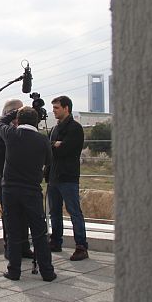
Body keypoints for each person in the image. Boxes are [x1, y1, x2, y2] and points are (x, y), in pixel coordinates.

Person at [0, 106, 56, 281]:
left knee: (13, 231)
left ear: (18, 120)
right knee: (39, 232)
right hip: (32, 190)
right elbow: (48, 161)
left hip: (10, 190)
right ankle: (47, 272)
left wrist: (15, 112)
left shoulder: (12, 135)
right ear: (36, 121)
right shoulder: (43, 140)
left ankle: (14, 271)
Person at [0, 98, 33, 260]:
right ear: (12, 113)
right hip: (2, 176)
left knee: (23, 213)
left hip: (17, 177)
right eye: (19, 112)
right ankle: (10, 248)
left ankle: (24, 247)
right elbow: (2, 148)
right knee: (9, 214)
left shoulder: (16, 129)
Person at [46, 95, 88, 261]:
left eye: (56, 108)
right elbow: (51, 150)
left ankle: (81, 246)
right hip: (54, 177)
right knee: (54, 212)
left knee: (74, 212)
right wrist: (54, 144)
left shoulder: (75, 128)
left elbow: (65, 150)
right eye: (53, 108)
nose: (54, 111)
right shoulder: (55, 129)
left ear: (66, 108)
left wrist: (56, 146)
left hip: (68, 177)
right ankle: (56, 241)